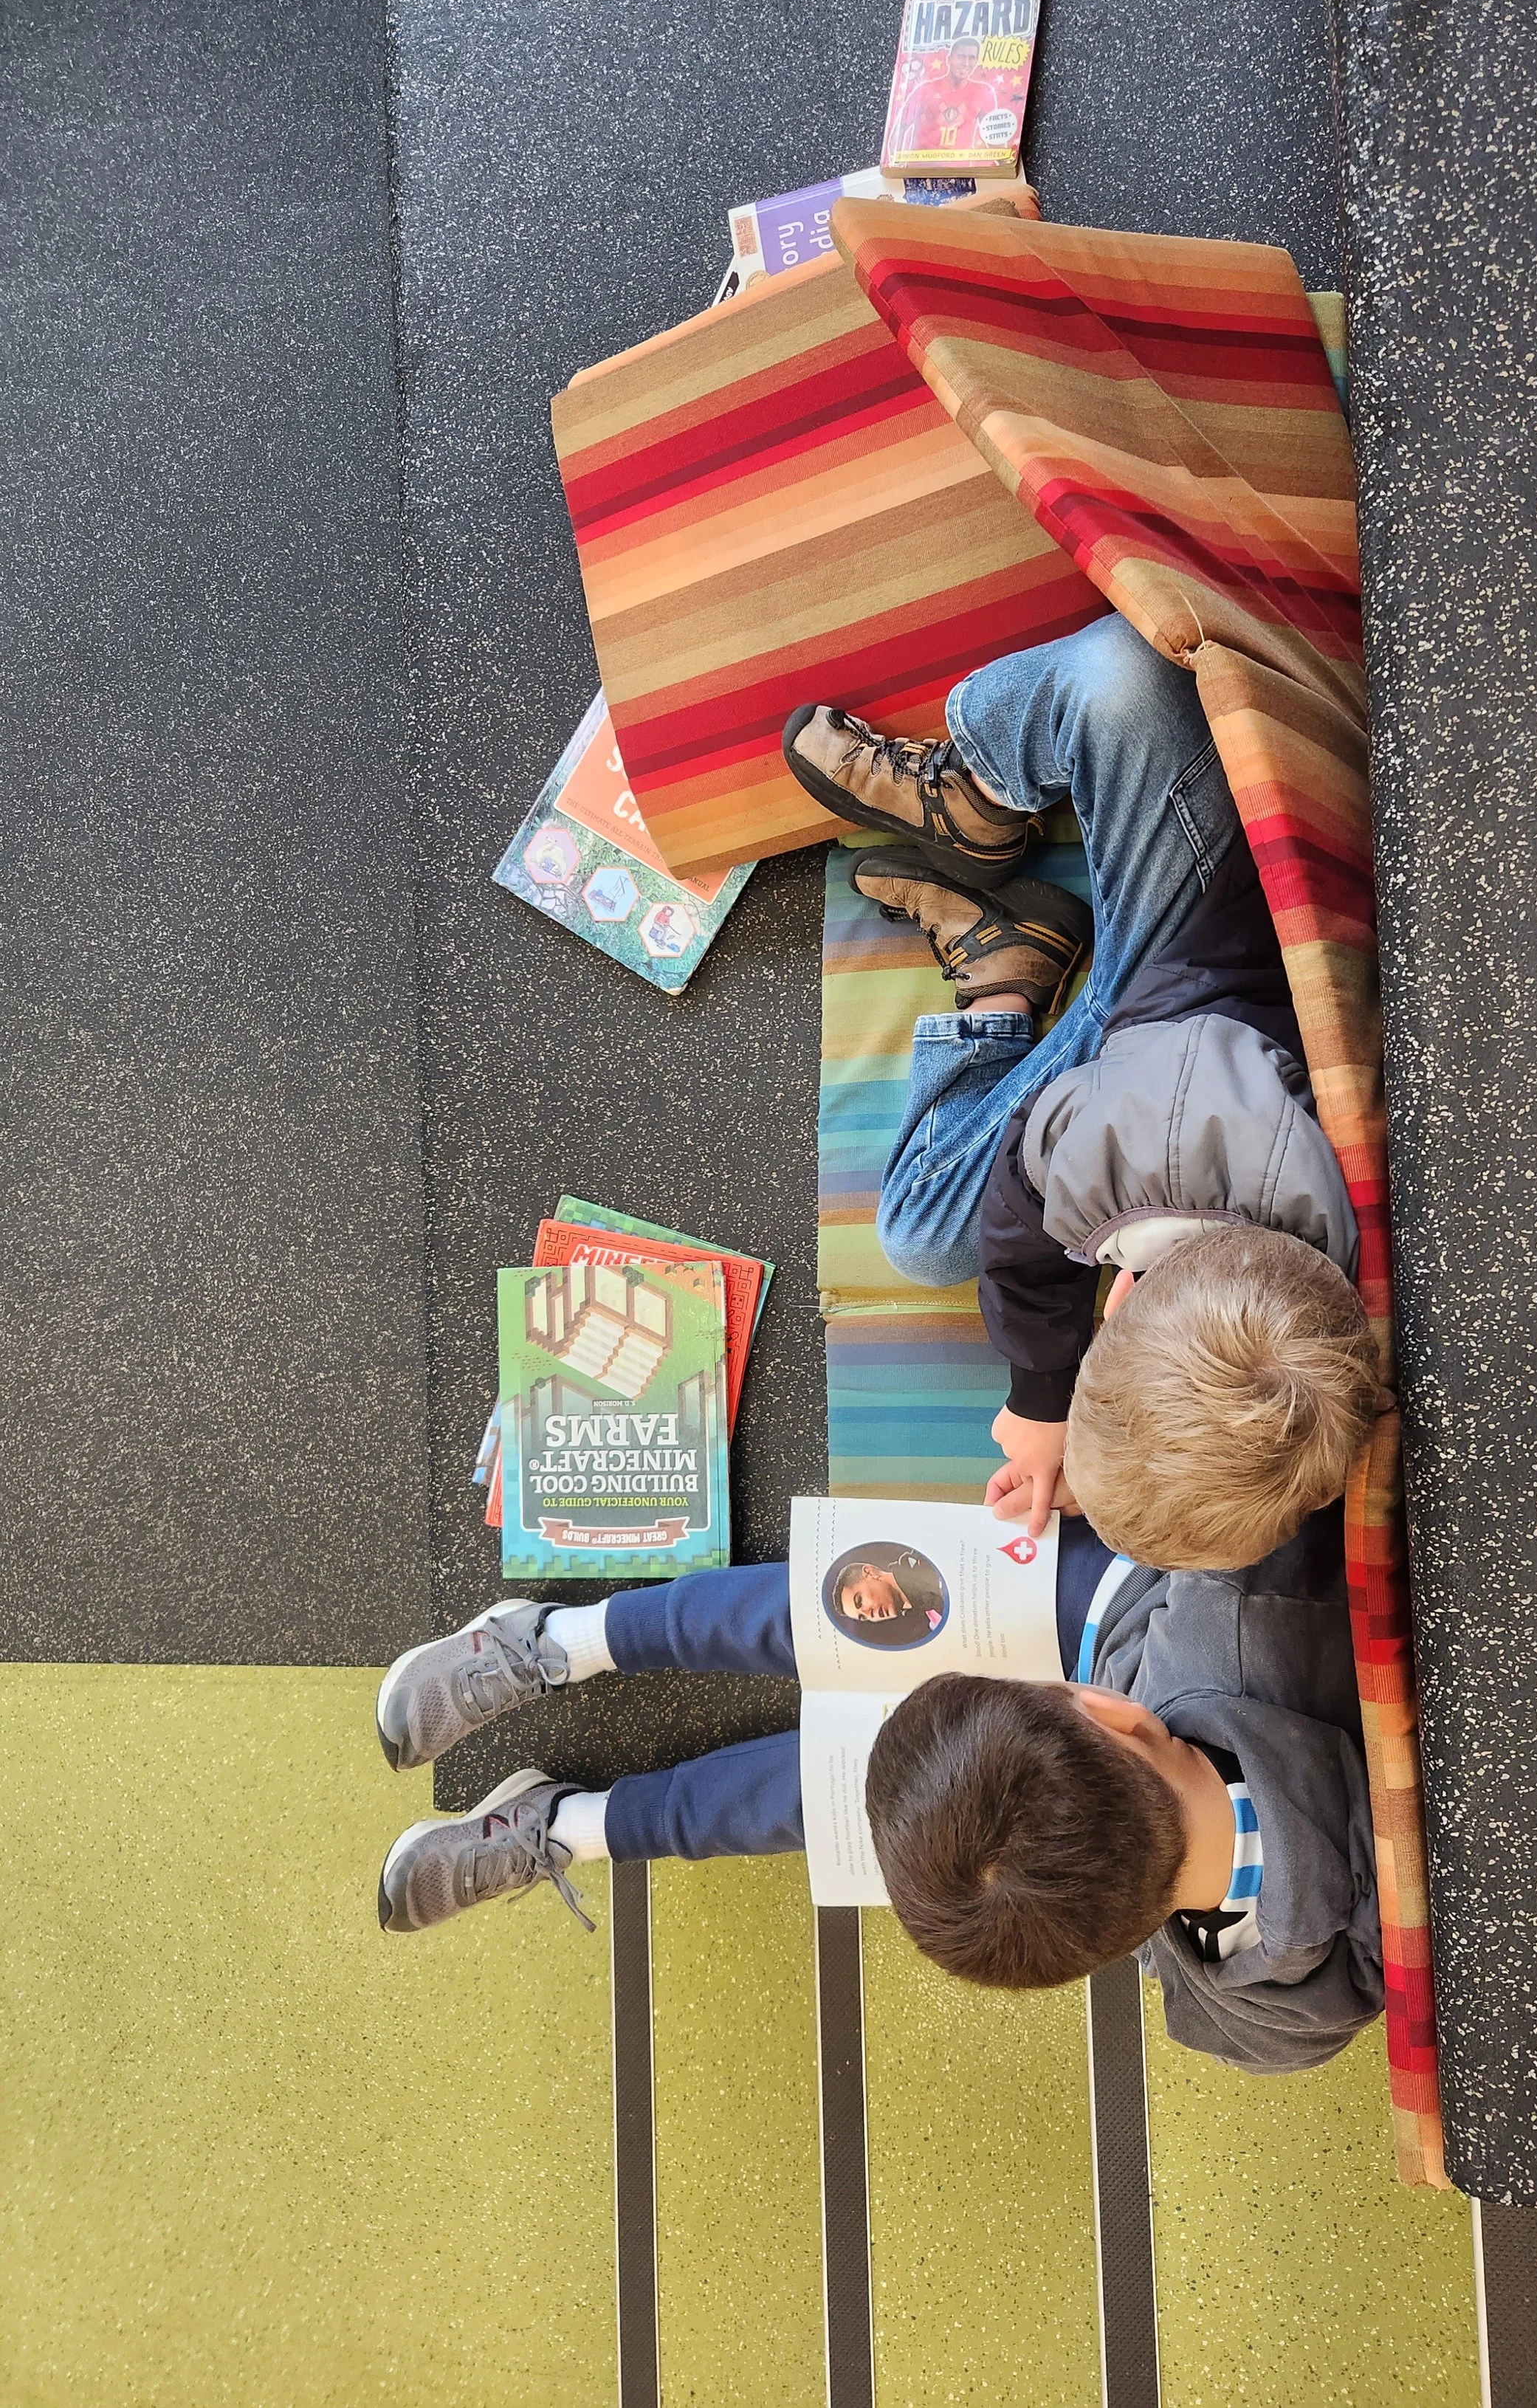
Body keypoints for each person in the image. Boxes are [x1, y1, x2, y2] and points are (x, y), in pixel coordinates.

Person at [780, 613, 1380, 1568]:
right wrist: (1039, 1398)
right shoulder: (1110, 1162)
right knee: (918, 1230)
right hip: (1198, 956)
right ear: (1114, 1297)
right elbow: (1020, 1224)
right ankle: (979, 798)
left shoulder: (1335, 1302)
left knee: (934, 1235)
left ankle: (1014, 958)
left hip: (1197, 1016)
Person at [370, 1514, 1383, 2074]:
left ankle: (569, 1825)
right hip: (1142, 1638)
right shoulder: (1264, 2019)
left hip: (1131, 1660)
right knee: (867, 1627)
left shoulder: (1225, 1592)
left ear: (1107, 1711)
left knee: (862, 1749)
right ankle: (557, 1644)